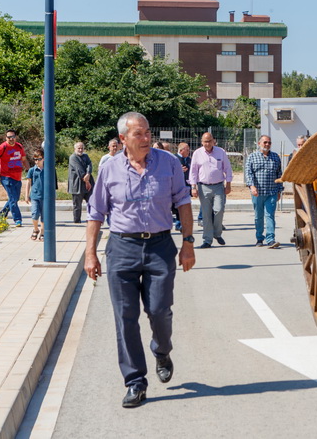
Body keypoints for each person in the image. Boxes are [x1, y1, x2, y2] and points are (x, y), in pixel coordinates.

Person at [84, 112, 195, 409]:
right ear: (123, 139)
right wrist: (90, 254)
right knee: (125, 318)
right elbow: (96, 213)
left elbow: (183, 201)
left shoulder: (168, 163)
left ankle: (162, 350)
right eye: (138, 134)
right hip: (122, 249)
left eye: (147, 133)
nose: (146, 139)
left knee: (159, 310)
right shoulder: (109, 169)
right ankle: (135, 381)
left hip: (160, 246)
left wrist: (187, 243)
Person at [189, 133, 233, 248]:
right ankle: (207, 240)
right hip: (203, 187)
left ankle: (217, 233)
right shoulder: (197, 153)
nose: (207, 144)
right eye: (205, 141)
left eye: (209, 141)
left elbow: (227, 168)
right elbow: (193, 171)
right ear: (201, 142)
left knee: (219, 210)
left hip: (218, 186)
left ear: (214, 141)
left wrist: (228, 184)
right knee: (206, 214)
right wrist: (193, 187)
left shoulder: (220, 152)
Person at [245, 135, 283, 248]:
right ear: (259, 143)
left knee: (270, 215)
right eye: (265, 142)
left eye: (269, 143)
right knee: (258, 216)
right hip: (257, 193)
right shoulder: (252, 157)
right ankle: (259, 238)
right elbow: (248, 173)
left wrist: (280, 190)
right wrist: (252, 186)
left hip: (272, 192)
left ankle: (271, 239)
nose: (267, 144)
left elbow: (279, 175)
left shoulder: (275, 157)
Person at [0, 129, 28, 227]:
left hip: (18, 177)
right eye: (9, 137)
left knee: (14, 198)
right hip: (6, 177)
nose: (11, 139)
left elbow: (24, 160)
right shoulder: (3, 147)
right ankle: (18, 219)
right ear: (6, 138)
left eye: (13, 137)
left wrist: (29, 170)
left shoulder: (19, 146)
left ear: (16, 137)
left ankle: (1, 215)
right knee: (13, 198)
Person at [67, 142, 93, 224]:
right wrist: (87, 181)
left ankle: (91, 219)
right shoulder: (73, 157)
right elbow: (79, 169)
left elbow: (89, 164)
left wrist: (88, 173)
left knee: (92, 202)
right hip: (77, 184)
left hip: (88, 182)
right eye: (79, 148)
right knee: (77, 205)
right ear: (75, 149)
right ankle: (77, 221)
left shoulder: (86, 156)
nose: (80, 150)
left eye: (82, 148)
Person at [24, 148, 46, 241]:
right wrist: (26, 195)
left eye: (39, 159)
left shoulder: (48, 169)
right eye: (35, 159)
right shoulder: (32, 170)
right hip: (35, 195)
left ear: (43, 159)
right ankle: (35, 228)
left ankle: (42, 231)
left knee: (44, 216)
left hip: (45, 196)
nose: (37, 161)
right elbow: (28, 182)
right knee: (35, 213)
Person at [173, 142, 192, 232]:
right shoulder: (174, 159)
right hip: (175, 186)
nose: (189, 151)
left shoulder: (189, 160)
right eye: (187, 150)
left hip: (186, 186)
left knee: (184, 205)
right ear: (181, 150)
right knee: (175, 206)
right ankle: (178, 223)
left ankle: (181, 224)